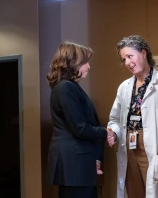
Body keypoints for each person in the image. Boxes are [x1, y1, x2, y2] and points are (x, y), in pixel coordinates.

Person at [107, 35, 158, 198]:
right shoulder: (124, 87)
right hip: (129, 147)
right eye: (123, 59)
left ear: (144, 53)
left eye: (130, 56)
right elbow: (115, 119)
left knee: (156, 192)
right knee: (134, 193)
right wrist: (113, 131)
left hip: (154, 148)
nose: (127, 63)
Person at [46, 41, 108, 198]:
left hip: (76, 166)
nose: (88, 66)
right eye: (85, 62)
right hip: (74, 166)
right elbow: (79, 128)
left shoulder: (66, 86)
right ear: (73, 62)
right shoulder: (66, 87)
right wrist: (106, 133)